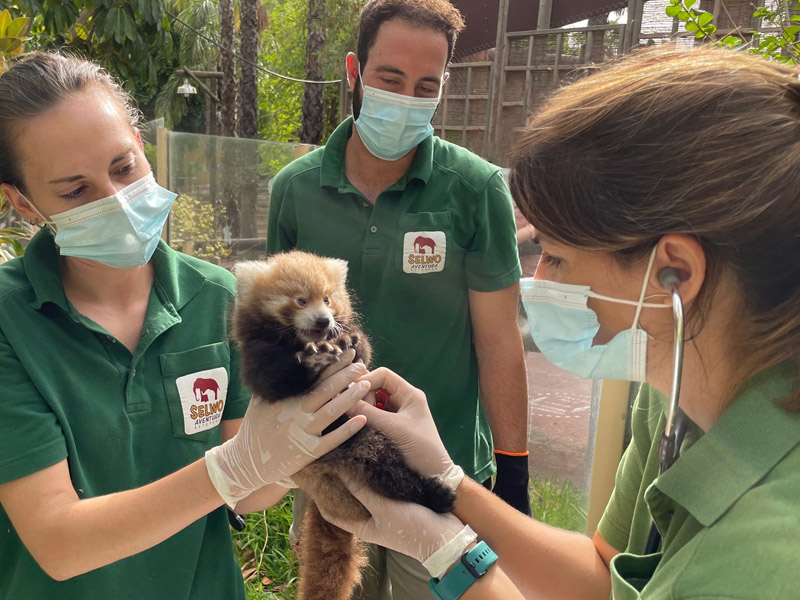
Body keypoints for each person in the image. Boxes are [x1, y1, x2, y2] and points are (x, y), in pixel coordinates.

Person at [318, 45, 800, 599]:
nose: (538, 280)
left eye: (558, 256)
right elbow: (601, 577)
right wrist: (449, 483)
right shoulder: (675, 393)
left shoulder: (768, 553)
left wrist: (448, 551)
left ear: (675, 272)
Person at [0, 52, 370, 600]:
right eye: (75, 191)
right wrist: (231, 469)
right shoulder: (11, 323)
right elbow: (58, 542)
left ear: (143, 145)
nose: (117, 200)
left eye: (124, 167)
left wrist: (303, 441)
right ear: (23, 204)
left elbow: (250, 493)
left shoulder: (221, 299)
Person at [266, 1, 530, 596]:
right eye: (390, 78)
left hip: (441, 472)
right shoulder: (296, 190)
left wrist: (514, 470)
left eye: (425, 86)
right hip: (331, 466)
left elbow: (498, 338)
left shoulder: (475, 190)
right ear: (356, 72)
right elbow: (272, 332)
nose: (407, 97)